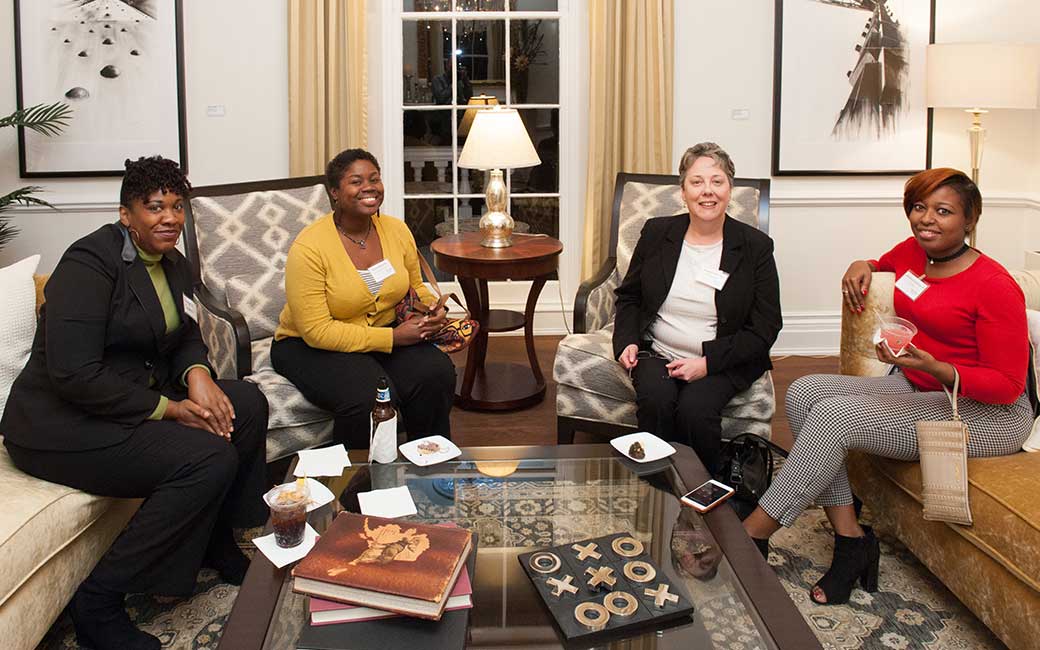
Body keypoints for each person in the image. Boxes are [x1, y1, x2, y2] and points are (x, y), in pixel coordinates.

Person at [0, 157, 269, 650]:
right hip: (61, 424)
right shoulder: (88, 265)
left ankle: (214, 540)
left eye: (176, 205)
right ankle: (97, 603)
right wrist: (169, 409)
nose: (169, 217)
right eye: (153, 207)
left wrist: (199, 375)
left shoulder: (173, 262)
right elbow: (73, 373)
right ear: (126, 215)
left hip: (132, 395)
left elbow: (184, 332)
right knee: (208, 457)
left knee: (246, 403)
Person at [743, 168, 1036, 606]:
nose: (927, 220)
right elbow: (885, 262)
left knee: (834, 417)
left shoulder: (994, 286)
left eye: (943, 211)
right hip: (919, 385)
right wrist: (862, 264)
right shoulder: (916, 254)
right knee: (805, 391)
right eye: (919, 207)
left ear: (970, 220)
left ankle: (752, 535)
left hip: (987, 413)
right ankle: (851, 540)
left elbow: (1008, 386)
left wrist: (936, 366)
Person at [613, 142, 782, 475]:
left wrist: (707, 364)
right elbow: (630, 295)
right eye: (697, 182)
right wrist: (627, 341)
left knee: (695, 409)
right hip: (658, 351)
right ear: (683, 191)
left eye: (717, 181)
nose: (708, 191)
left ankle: (702, 497)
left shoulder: (754, 246)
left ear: (730, 189)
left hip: (723, 359)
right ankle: (654, 487)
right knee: (657, 401)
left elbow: (766, 327)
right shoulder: (657, 232)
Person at [271, 148, 456, 450]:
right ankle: (359, 486)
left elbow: (415, 286)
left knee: (436, 374)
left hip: (385, 332)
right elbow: (317, 331)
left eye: (374, 179)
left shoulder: (396, 230)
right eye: (356, 182)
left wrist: (432, 309)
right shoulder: (309, 247)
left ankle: (427, 470)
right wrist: (393, 338)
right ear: (334, 192)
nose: (369, 187)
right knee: (370, 396)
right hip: (309, 346)